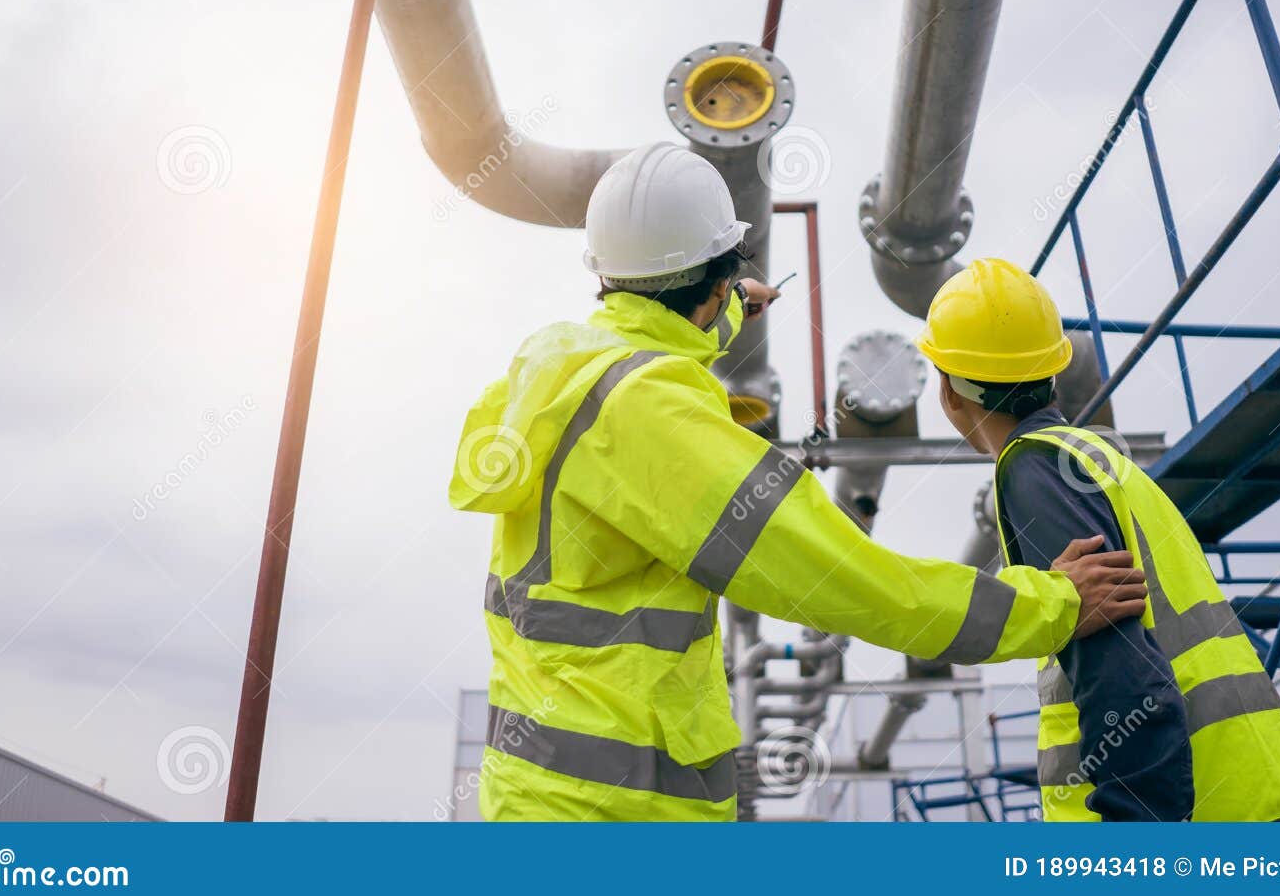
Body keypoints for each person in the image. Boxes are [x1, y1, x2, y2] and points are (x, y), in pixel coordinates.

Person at [448, 144, 1148, 821]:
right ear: (717, 281)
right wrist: (1050, 607)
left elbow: (658, 329)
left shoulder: (563, 366)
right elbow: (847, 577)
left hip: (539, 795)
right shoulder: (653, 416)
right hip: (619, 815)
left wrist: (725, 309)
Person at [918, 257, 1280, 822]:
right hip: (1250, 794)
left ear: (948, 390)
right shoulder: (1098, 461)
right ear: (1053, 370)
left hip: (1189, 818)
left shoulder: (1035, 467)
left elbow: (1124, 674)